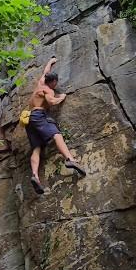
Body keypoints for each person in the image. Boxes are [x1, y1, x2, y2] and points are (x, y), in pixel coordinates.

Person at [26, 57, 86, 194]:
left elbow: (45, 71)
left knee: (36, 147)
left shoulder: (41, 82)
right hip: (39, 116)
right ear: (53, 82)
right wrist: (62, 97)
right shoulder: (48, 90)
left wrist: (51, 62)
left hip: (29, 119)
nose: (56, 84)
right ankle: (70, 159)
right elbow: (52, 102)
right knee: (56, 134)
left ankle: (35, 175)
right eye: (55, 82)